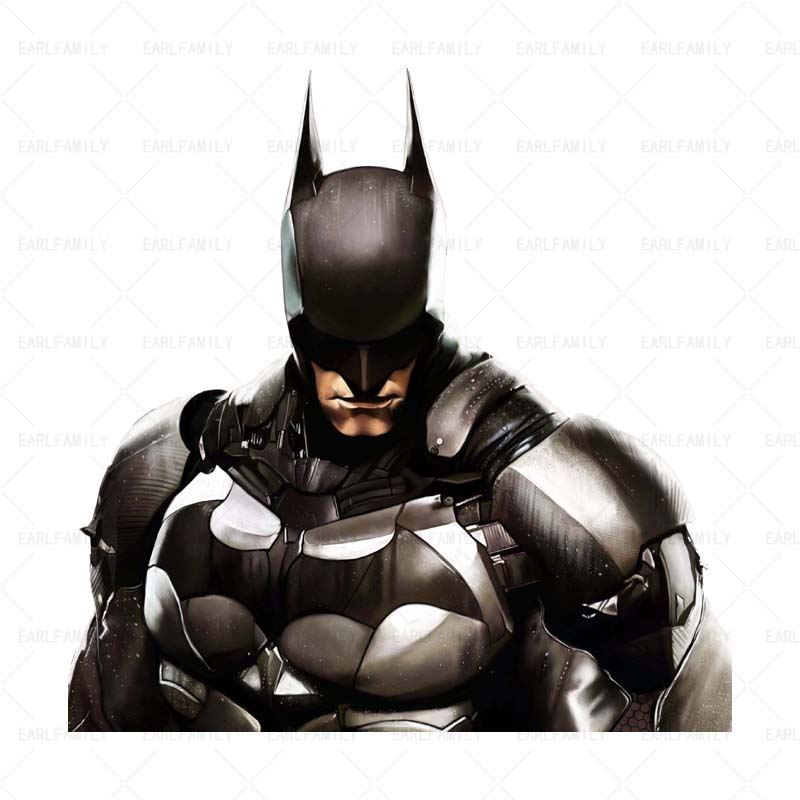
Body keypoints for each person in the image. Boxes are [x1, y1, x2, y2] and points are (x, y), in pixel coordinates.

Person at [68, 74, 730, 732]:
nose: (364, 383)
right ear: (300, 326)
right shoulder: (189, 450)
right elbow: (111, 679)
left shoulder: (541, 475)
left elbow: (675, 684)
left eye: (392, 351)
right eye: (334, 350)